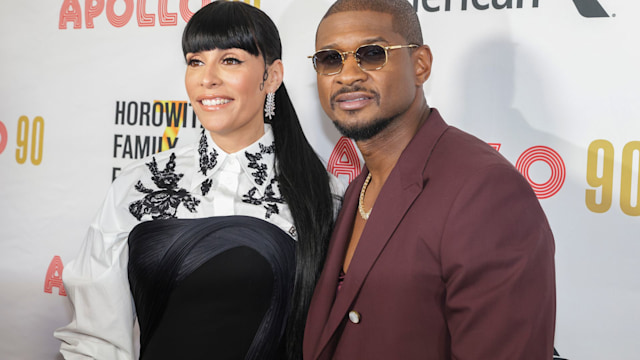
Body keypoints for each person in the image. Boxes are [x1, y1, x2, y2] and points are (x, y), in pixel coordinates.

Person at [54, 2, 343, 359]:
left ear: (271, 76)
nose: (208, 78)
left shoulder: (325, 195)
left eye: (230, 60)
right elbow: (94, 339)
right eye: (195, 61)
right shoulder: (139, 185)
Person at [302, 0, 556, 359]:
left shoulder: (486, 191)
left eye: (372, 54)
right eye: (330, 59)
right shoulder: (362, 184)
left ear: (420, 65)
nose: (347, 75)